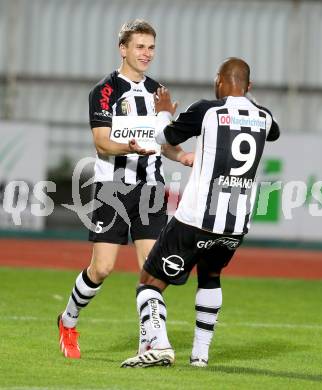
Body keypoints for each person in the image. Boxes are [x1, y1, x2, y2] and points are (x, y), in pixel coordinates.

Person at [120, 57, 280, 368]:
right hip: (235, 225)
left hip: (196, 219)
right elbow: (274, 131)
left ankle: (161, 346)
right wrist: (248, 95)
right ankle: (200, 357)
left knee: (148, 283)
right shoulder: (263, 116)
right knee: (210, 277)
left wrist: (164, 109)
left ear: (220, 80)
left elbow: (164, 137)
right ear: (249, 87)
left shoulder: (208, 109)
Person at [57, 19, 193, 359]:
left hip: (150, 191)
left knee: (152, 272)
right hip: (112, 189)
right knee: (102, 268)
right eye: (139, 47)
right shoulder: (105, 91)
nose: (146, 54)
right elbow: (101, 142)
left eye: (150, 47)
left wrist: (183, 155)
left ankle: (150, 342)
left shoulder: (158, 92)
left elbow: (163, 142)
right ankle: (68, 320)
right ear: (123, 49)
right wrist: (131, 146)